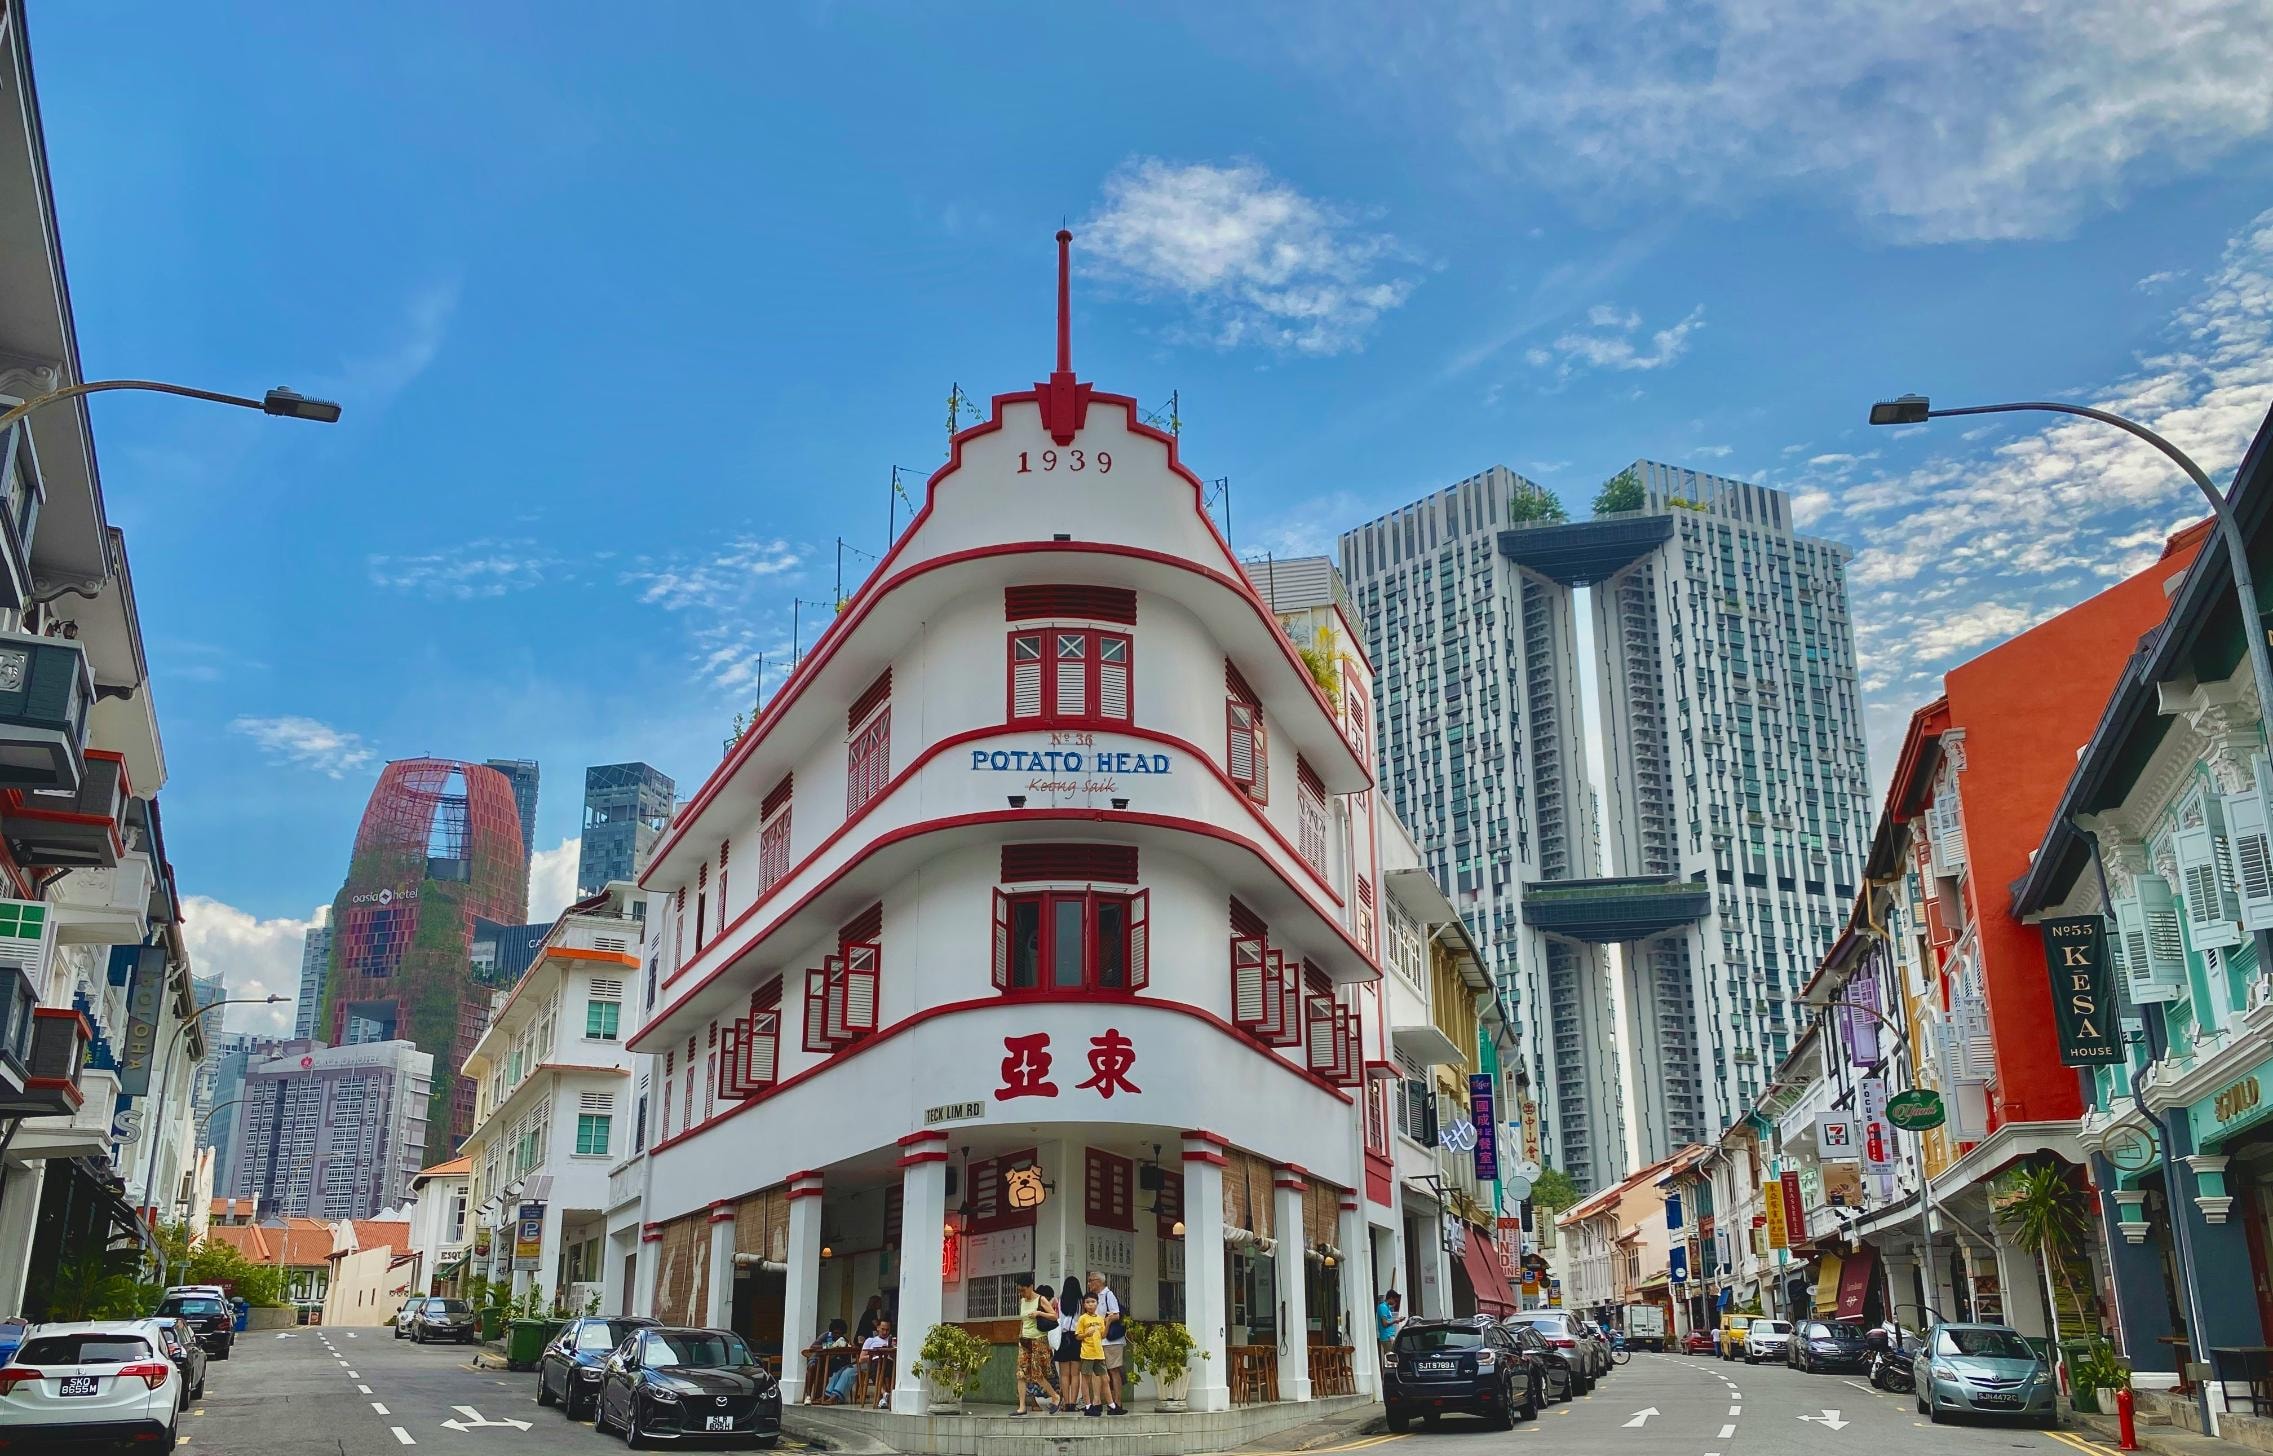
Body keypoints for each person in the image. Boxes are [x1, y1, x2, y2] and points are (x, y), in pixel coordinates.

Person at [1013, 1277, 1061, 1415]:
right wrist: (1020, 1335)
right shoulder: (1022, 1301)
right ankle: (1022, 1407)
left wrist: (1039, 1313)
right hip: (1024, 1340)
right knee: (1020, 1374)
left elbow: (1053, 1316)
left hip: (1038, 1340)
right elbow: (1023, 1321)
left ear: (1030, 1286)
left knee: (1037, 1374)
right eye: (1019, 1290)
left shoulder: (1041, 1299)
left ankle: (1055, 1396)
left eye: (1023, 1290)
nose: (1021, 1293)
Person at [1087, 1269, 1127, 1415]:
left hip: (1111, 1341)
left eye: (1091, 1280)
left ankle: (1117, 1403)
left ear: (1099, 1281)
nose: (1089, 1283)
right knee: (1097, 1371)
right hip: (1097, 1340)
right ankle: (1097, 1401)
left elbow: (1116, 1314)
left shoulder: (1108, 1295)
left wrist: (1105, 1322)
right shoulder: (1094, 1297)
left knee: (1114, 1370)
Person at [1073, 1295, 1107, 1415]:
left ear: (1097, 1303)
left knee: (1103, 1378)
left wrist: (1108, 1323)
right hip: (1087, 1353)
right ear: (1084, 1304)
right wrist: (1086, 1334)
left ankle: (1101, 1402)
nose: (1091, 1304)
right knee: (1086, 1379)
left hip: (1099, 1353)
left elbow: (1103, 1335)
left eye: (1093, 1302)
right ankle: (1087, 1406)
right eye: (1088, 1302)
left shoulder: (1100, 1318)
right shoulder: (1082, 1318)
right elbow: (1077, 1336)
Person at [1054, 1275, 1083, 1415]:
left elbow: (1057, 1318)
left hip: (1063, 1338)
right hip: (1077, 1338)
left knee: (1064, 1375)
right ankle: (1073, 1403)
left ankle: (1065, 1403)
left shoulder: (1060, 1301)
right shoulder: (1081, 1302)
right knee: (1075, 1374)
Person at [861, 1320, 893, 1408]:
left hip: (888, 1363)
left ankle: (884, 1396)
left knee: (886, 1367)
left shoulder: (891, 1341)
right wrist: (874, 1355)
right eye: (883, 1329)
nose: (885, 1332)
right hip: (875, 1362)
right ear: (878, 1328)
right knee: (878, 1366)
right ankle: (885, 1394)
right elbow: (861, 1359)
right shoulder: (870, 1340)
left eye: (887, 1330)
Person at [1376, 1290, 1402, 1369]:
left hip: (1390, 1335)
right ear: (1390, 1298)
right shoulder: (1383, 1307)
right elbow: (1384, 1324)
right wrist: (1395, 1321)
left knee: (1392, 1356)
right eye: (1394, 1300)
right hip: (1386, 1336)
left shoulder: (1387, 1308)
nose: (1395, 1302)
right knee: (1390, 1358)